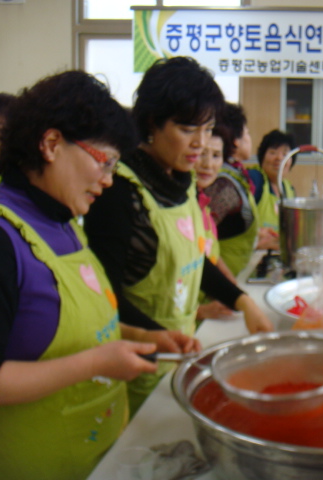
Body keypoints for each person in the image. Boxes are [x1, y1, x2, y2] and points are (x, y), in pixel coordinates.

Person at [0, 71, 190, 480]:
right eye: (105, 162)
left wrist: (145, 337)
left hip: (96, 456)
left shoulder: (64, 223)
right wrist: (95, 362)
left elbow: (80, 324)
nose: (108, 181)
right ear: (52, 144)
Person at [84, 57, 273, 414]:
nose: (200, 144)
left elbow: (190, 261)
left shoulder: (179, 179)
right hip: (135, 366)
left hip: (178, 356)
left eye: (209, 129)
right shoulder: (120, 192)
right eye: (188, 129)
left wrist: (243, 301)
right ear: (152, 124)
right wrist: (156, 337)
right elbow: (103, 298)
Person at [203, 103, 262, 276]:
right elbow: (202, 244)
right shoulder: (222, 184)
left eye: (215, 155)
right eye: (247, 133)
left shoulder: (235, 175)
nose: (207, 164)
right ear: (236, 141)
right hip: (212, 293)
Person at [194, 127, 238, 320]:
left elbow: (208, 254)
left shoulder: (203, 204)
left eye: (216, 156)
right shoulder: (179, 208)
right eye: (202, 154)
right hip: (182, 322)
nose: (208, 164)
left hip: (207, 308)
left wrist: (228, 282)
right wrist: (199, 312)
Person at [248, 128, 297, 250]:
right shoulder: (254, 180)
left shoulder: (289, 189)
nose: (279, 158)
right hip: (254, 254)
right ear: (262, 156)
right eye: (273, 152)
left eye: (285, 154)